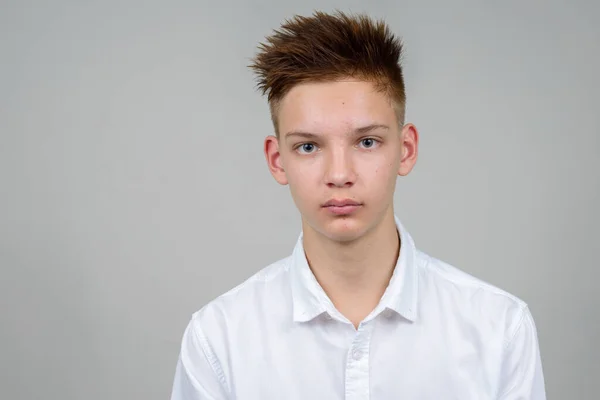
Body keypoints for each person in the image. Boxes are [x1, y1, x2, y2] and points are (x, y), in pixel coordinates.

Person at [170, 10, 546, 400]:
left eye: (367, 142)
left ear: (406, 149)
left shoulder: (498, 328)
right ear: (277, 160)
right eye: (309, 146)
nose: (339, 174)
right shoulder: (218, 339)